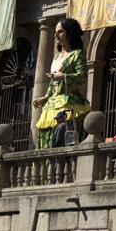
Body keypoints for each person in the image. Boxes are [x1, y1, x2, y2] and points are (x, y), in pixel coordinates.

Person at [33, 18, 90, 149]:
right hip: (52, 103)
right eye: (55, 32)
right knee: (47, 134)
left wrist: (63, 76)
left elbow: (81, 77)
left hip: (69, 101)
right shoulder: (56, 57)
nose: (55, 36)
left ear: (70, 33)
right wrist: (45, 97)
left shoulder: (77, 54)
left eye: (60, 32)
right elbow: (53, 82)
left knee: (64, 132)